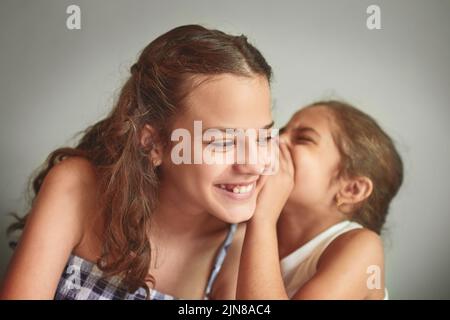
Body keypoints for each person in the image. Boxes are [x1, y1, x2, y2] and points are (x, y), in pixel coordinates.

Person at [0, 24, 274, 300]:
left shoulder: (238, 248)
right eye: (223, 141)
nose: (253, 164)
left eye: (263, 137)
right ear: (153, 143)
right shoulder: (76, 187)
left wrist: (263, 220)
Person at [237, 100, 403, 299]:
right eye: (281, 131)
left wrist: (263, 218)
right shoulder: (242, 227)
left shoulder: (363, 248)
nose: (276, 140)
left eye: (303, 139)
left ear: (352, 189)